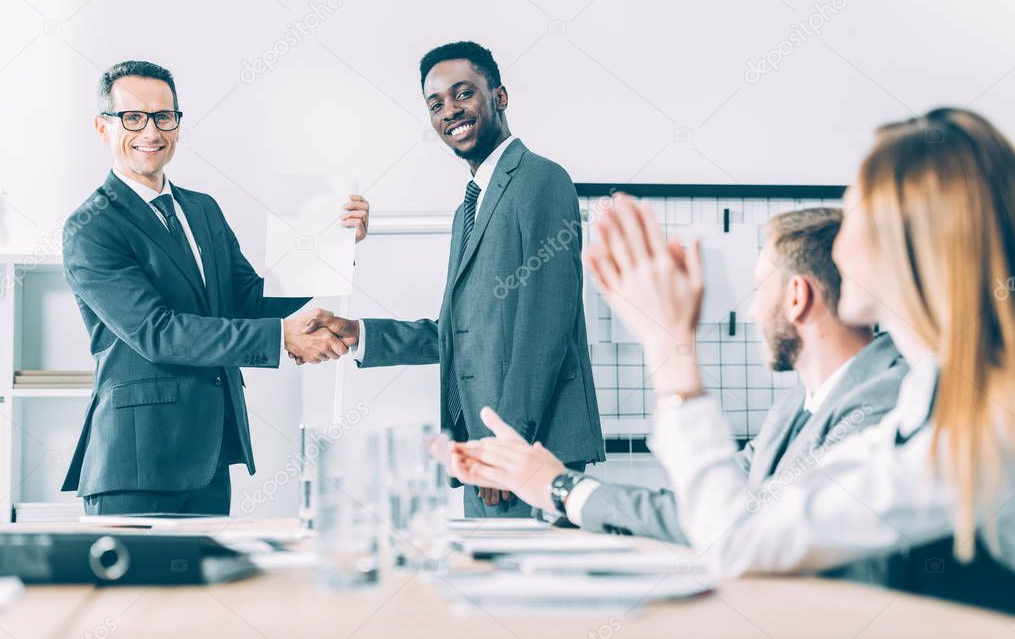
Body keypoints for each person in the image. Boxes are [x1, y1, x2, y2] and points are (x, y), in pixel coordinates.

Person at [451, 107, 1015, 613]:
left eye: (856, 212)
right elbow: (738, 517)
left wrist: (670, 348)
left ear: (906, 244)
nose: (840, 240)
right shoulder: (935, 401)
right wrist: (554, 483)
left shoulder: (980, 426)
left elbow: (737, 538)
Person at [446, 207, 907, 541]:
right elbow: (702, 509)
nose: (750, 313)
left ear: (797, 297)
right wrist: (554, 485)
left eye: (758, 290)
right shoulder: (795, 407)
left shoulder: (883, 405)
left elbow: (743, 531)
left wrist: (560, 486)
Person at [308, 41, 605, 516]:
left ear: (500, 97)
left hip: (530, 448)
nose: (450, 111)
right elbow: (457, 334)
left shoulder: (541, 180)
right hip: (483, 448)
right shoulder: (470, 206)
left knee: (521, 587)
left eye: (463, 94)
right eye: (436, 104)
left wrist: (504, 448)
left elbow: (542, 329)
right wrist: (360, 334)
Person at [62, 60, 369, 515]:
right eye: (133, 118)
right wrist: (281, 336)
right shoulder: (91, 226)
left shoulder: (202, 210)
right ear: (102, 126)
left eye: (164, 117)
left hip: (209, 455)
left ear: (178, 125)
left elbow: (248, 302)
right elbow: (157, 332)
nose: (151, 131)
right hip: (135, 464)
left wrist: (335, 243)